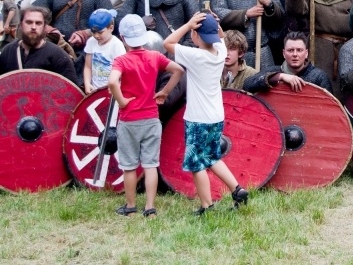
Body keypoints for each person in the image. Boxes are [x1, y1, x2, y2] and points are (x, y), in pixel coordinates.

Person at [163, 12, 249, 215]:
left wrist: (188, 24)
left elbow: (168, 43)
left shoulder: (195, 56)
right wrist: (214, 25)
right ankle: (238, 189)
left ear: (196, 35)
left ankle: (206, 205)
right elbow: (220, 37)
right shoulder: (220, 51)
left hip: (197, 118)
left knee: (196, 163)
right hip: (216, 116)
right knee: (212, 157)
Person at [108, 14, 184, 218]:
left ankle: (131, 206)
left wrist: (122, 101)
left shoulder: (121, 60)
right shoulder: (155, 56)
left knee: (129, 166)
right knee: (151, 165)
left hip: (129, 120)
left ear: (122, 38)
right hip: (151, 118)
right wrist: (165, 92)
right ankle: (150, 208)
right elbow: (178, 70)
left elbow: (113, 82)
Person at [0, 6, 79, 84]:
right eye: (29, 22)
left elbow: (70, 92)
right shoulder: (8, 51)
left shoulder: (58, 56)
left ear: (44, 27)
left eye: (38, 23)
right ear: (21, 25)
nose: (33, 27)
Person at [244, 31, 333, 93]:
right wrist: (279, 76)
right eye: (290, 50)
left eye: (299, 50)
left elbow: (331, 107)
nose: (295, 54)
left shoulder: (319, 77)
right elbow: (247, 85)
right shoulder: (273, 71)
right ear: (284, 53)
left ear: (306, 53)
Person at [82, 9, 126, 94]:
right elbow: (88, 66)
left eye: (100, 32)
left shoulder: (116, 45)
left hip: (112, 91)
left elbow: (123, 72)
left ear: (111, 28)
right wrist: (87, 83)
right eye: (93, 32)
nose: (96, 36)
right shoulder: (91, 42)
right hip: (95, 90)